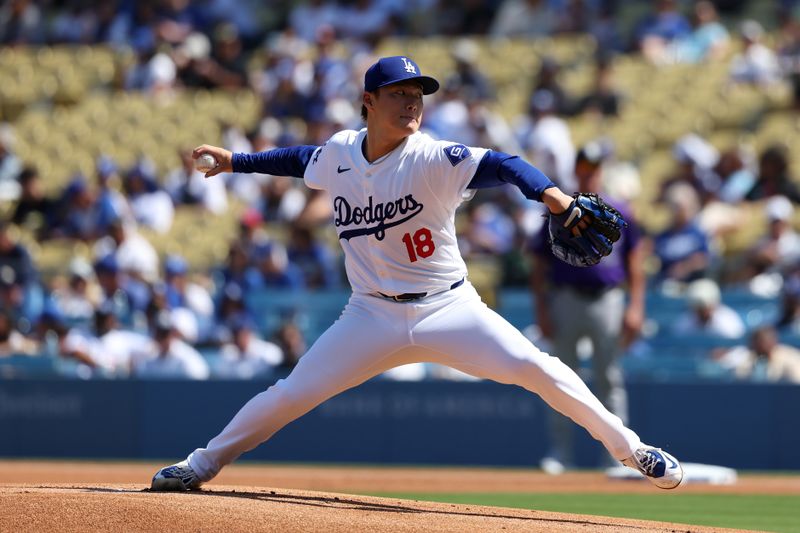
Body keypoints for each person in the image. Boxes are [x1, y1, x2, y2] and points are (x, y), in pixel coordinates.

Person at [151, 55, 683, 492]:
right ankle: (200, 465)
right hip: (369, 313)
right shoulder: (340, 152)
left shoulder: (432, 157)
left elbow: (504, 164)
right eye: (399, 93)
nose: (411, 103)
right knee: (290, 395)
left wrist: (555, 197)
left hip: (448, 307)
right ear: (369, 103)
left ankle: (633, 450)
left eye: (417, 95)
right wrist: (236, 162)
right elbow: (301, 159)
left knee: (537, 367)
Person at [530, 142, 645, 473]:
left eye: (593, 169)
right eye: (583, 169)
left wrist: (636, 306)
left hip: (608, 298)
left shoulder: (619, 210)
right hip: (565, 298)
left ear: (600, 171)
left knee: (609, 377)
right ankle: (560, 453)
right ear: (576, 170)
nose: (588, 174)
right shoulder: (560, 207)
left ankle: (620, 457)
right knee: (561, 378)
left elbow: (636, 262)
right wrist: (541, 308)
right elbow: (538, 263)